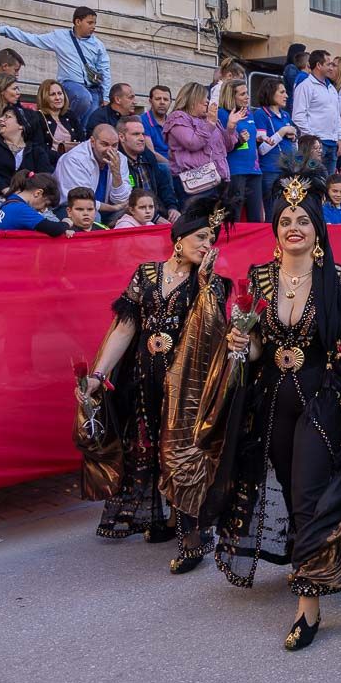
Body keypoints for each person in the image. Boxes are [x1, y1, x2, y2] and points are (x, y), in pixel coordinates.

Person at [219, 166, 341, 651]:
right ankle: (309, 561)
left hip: (321, 400)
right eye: (285, 218)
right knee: (295, 497)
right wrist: (239, 341)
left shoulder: (339, 280)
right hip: (272, 402)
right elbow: (252, 352)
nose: (293, 225)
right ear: (275, 229)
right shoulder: (258, 279)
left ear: (318, 229)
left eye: (303, 219)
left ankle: (308, 607)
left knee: (311, 492)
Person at [75, 187, 235, 571]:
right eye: (200, 237)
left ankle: (191, 537)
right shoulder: (145, 274)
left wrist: (207, 283)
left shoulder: (212, 283)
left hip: (187, 386)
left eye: (211, 239)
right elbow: (125, 328)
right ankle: (164, 519)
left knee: (182, 452)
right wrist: (100, 374)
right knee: (147, 448)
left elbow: (213, 332)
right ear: (179, 241)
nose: (207, 244)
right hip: (144, 380)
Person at [0, 6, 111, 127]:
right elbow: (32, 39)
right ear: (78, 22)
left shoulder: (98, 45)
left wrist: (106, 96)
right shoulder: (60, 37)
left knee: (89, 123)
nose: (93, 27)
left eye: (94, 23)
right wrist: (4, 30)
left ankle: (75, 133)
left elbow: (104, 71)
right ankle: (65, 124)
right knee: (83, 98)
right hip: (71, 85)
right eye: (90, 23)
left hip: (93, 89)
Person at [163, 82, 240, 200]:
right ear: (192, 100)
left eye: (207, 98)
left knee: (217, 218)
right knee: (197, 218)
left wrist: (231, 127)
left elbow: (227, 147)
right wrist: (209, 124)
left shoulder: (209, 119)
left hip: (218, 180)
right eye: (203, 98)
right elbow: (192, 143)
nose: (207, 102)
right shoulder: (178, 117)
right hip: (195, 184)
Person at [54, 124, 132, 224]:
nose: (110, 150)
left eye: (114, 145)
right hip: (69, 208)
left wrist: (116, 173)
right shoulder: (74, 159)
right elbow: (80, 199)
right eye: (104, 144)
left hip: (106, 208)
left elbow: (121, 200)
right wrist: (112, 208)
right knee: (93, 216)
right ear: (92, 142)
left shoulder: (120, 159)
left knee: (133, 212)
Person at [215, 80, 263, 222]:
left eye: (247, 93)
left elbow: (251, 140)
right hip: (235, 171)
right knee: (233, 216)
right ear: (231, 96)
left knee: (256, 218)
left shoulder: (249, 113)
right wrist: (239, 141)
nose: (247, 97)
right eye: (243, 94)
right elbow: (221, 144)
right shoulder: (222, 114)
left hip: (254, 170)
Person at [0, 107, 53, 196]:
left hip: (26, 200)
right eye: (2, 116)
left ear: (22, 125)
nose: (0, 119)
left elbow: (45, 178)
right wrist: (4, 188)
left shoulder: (36, 151)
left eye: (7, 117)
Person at [117, 116, 180, 222]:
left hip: (154, 208)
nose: (142, 138)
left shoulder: (147, 155)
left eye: (142, 134)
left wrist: (172, 207)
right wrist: (155, 218)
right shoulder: (118, 161)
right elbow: (126, 201)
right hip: (131, 214)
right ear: (122, 137)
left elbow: (163, 186)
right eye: (136, 134)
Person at [291, 50, 341, 172]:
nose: (332, 68)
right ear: (319, 65)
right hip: (315, 145)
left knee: (329, 185)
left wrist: (340, 138)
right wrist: (313, 139)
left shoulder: (331, 88)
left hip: (332, 143)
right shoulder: (305, 86)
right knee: (313, 181)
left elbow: (336, 115)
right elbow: (298, 116)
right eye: (328, 64)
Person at [252, 77, 297, 215]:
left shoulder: (285, 115)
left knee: (290, 211)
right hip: (271, 171)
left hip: (289, 170)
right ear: (271, 93)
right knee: (273, 212)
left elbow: (293, 142)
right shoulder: (260, 114)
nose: (286, 95)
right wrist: (282, 132)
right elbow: (262, 149)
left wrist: (294, 136)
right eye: (282, 92)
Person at [0, 73, 47, 148]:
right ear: (1, 91)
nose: (18, 93)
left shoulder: (26, 115)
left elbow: (39, 146)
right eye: (14, 89)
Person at [0, 170, 72, 236]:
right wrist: (66, 222)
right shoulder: (20, 209)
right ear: (38, 193)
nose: (42, 210)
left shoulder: (9, 203)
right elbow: (55, 229)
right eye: (45, 204)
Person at [36, 78, 86, 165]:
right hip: (51, 165)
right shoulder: (38, 117)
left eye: (60, 93)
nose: (57, 98)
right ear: (44, 97)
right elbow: (40, 149)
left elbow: (82, 141)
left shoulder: (70, 115)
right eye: (52, 94)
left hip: (74, 164)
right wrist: (64, 159)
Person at [140, 85, 172, 165]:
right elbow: (152, 153)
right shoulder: (143, 120)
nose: (162, 102)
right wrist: (173, 167)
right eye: (158, 99)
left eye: (166, 99)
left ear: (170, 102)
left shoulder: (172, 122)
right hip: (155, 165)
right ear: (150, 101)